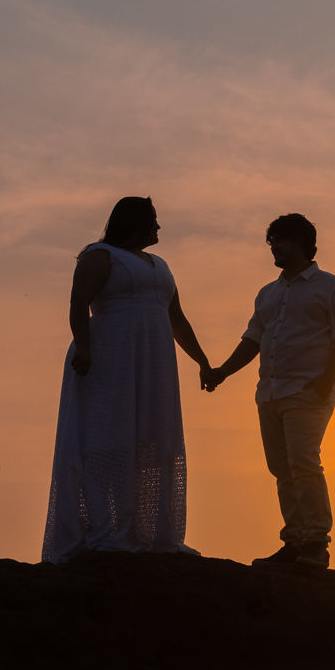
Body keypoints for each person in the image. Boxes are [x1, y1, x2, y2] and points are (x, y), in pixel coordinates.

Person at [42, 196, 212, 563]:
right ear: (134, 222)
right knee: (108, 440)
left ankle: (146, 530)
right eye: (153, 219)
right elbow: (77, 302)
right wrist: (85, 349)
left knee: (151, 441)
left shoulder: (160, 266)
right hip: (108, 357)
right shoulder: (99, 255)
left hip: (153, 363)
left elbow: (177, 318)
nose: (159, 227)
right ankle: (106, 530)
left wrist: (202, 360)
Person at [203, 213, 335, 569]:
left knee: (303, 462)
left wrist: (323, 382)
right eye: (272, 240)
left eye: (281, 240)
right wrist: (223, 372)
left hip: (307, 391)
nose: (274, 246)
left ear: (301, 243)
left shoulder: (332, 287)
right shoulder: (268, 294)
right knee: (281, 469)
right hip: (269, 392)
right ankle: (294, 540)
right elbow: (253, 339)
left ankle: (316, 542)